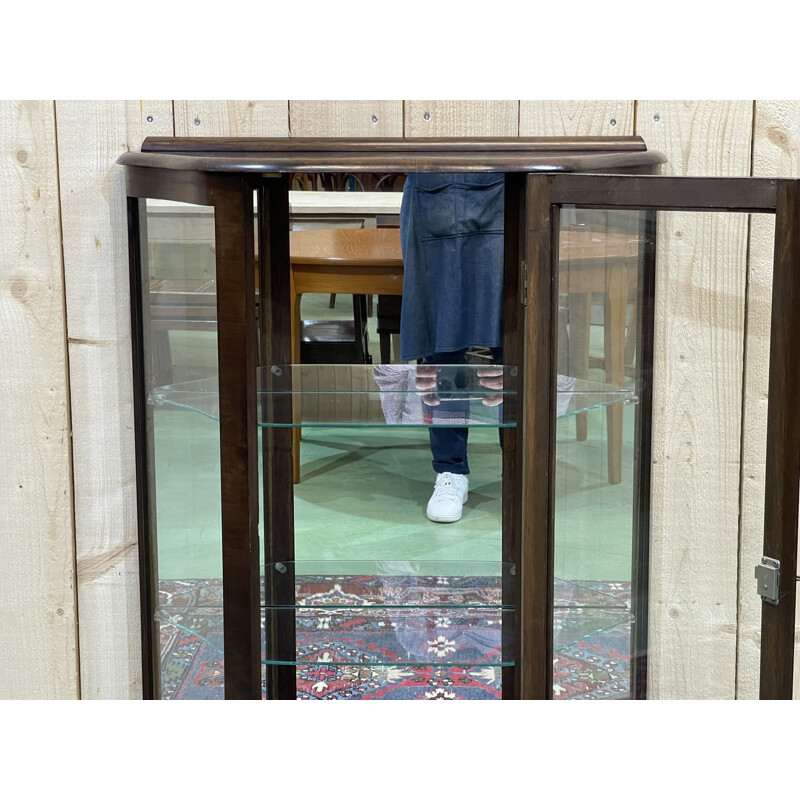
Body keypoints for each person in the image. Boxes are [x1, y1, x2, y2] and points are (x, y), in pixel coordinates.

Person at [399, 172, 505, 523]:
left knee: (512, 332)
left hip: (506, 183)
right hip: (433, 185)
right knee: (440, 336)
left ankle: (522, 466)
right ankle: (450, 471)